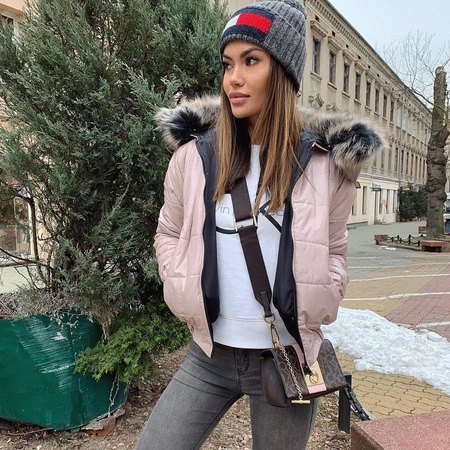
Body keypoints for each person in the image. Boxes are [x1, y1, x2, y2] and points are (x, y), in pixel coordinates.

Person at [136, 0, 385, 448]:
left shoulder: (325, 165)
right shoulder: (194, 157)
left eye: (251, 61)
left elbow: (335, 249)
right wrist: (176, 278)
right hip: (209, 355)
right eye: (228, 63)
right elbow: (168, 232)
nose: (234, 77)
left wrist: (324, 295)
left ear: (283, 72)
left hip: (288, 357)